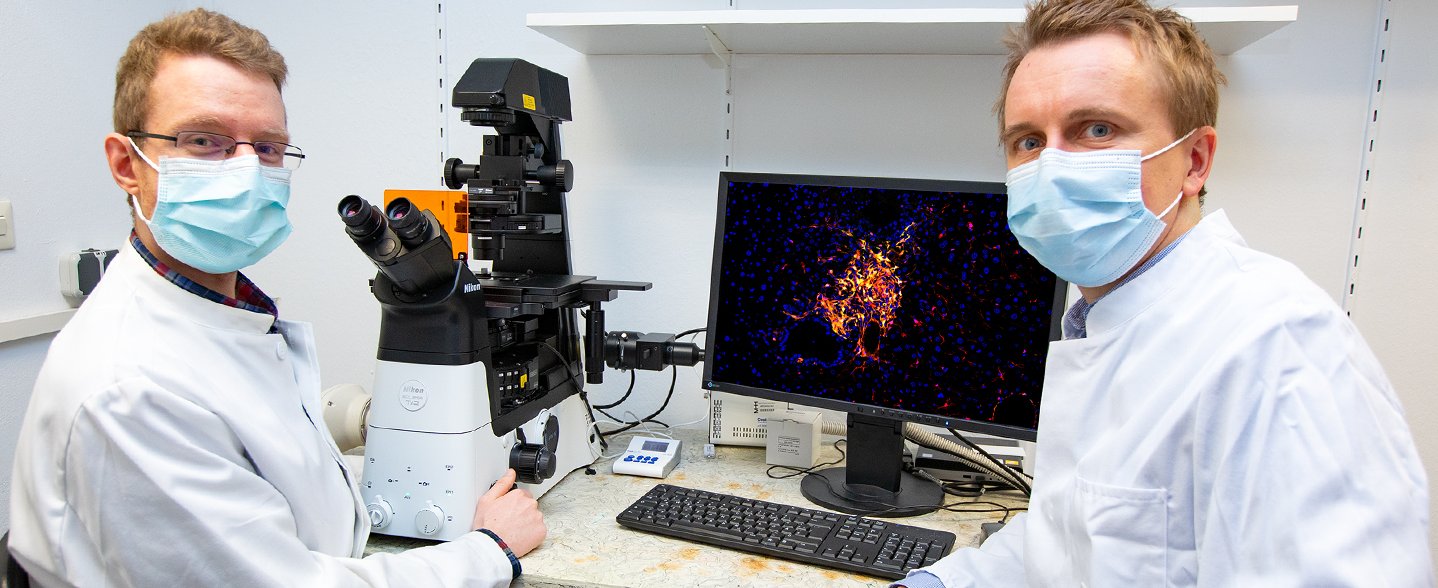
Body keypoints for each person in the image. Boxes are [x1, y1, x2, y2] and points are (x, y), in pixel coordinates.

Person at [897, 0, 1432, 586]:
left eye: (1096, 130)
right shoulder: (1104, 322)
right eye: (1027, 141)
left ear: (1195, 160)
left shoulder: (1276, 347)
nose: (1050, 167)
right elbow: (1066, 538)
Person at [8, 9, 543, 587]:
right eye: (204, 140)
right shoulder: (130, 390)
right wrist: (490, 549)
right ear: (125, 165)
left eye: (266, 148)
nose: (244, 171)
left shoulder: (221, 311)